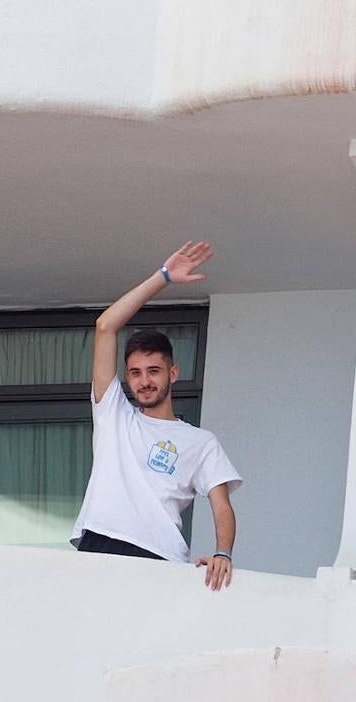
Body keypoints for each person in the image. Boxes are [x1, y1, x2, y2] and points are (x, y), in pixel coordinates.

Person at [70, 241, 242, 590]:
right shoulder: (114, 414)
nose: (144, 381)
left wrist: (223, 552)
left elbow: (221, 504)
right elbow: (105, 326)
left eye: (153, 371)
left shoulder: (200, 442)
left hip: (159, 555)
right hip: (100, 541)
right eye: (135, 373)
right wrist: (162, 277)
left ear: (173, 373)